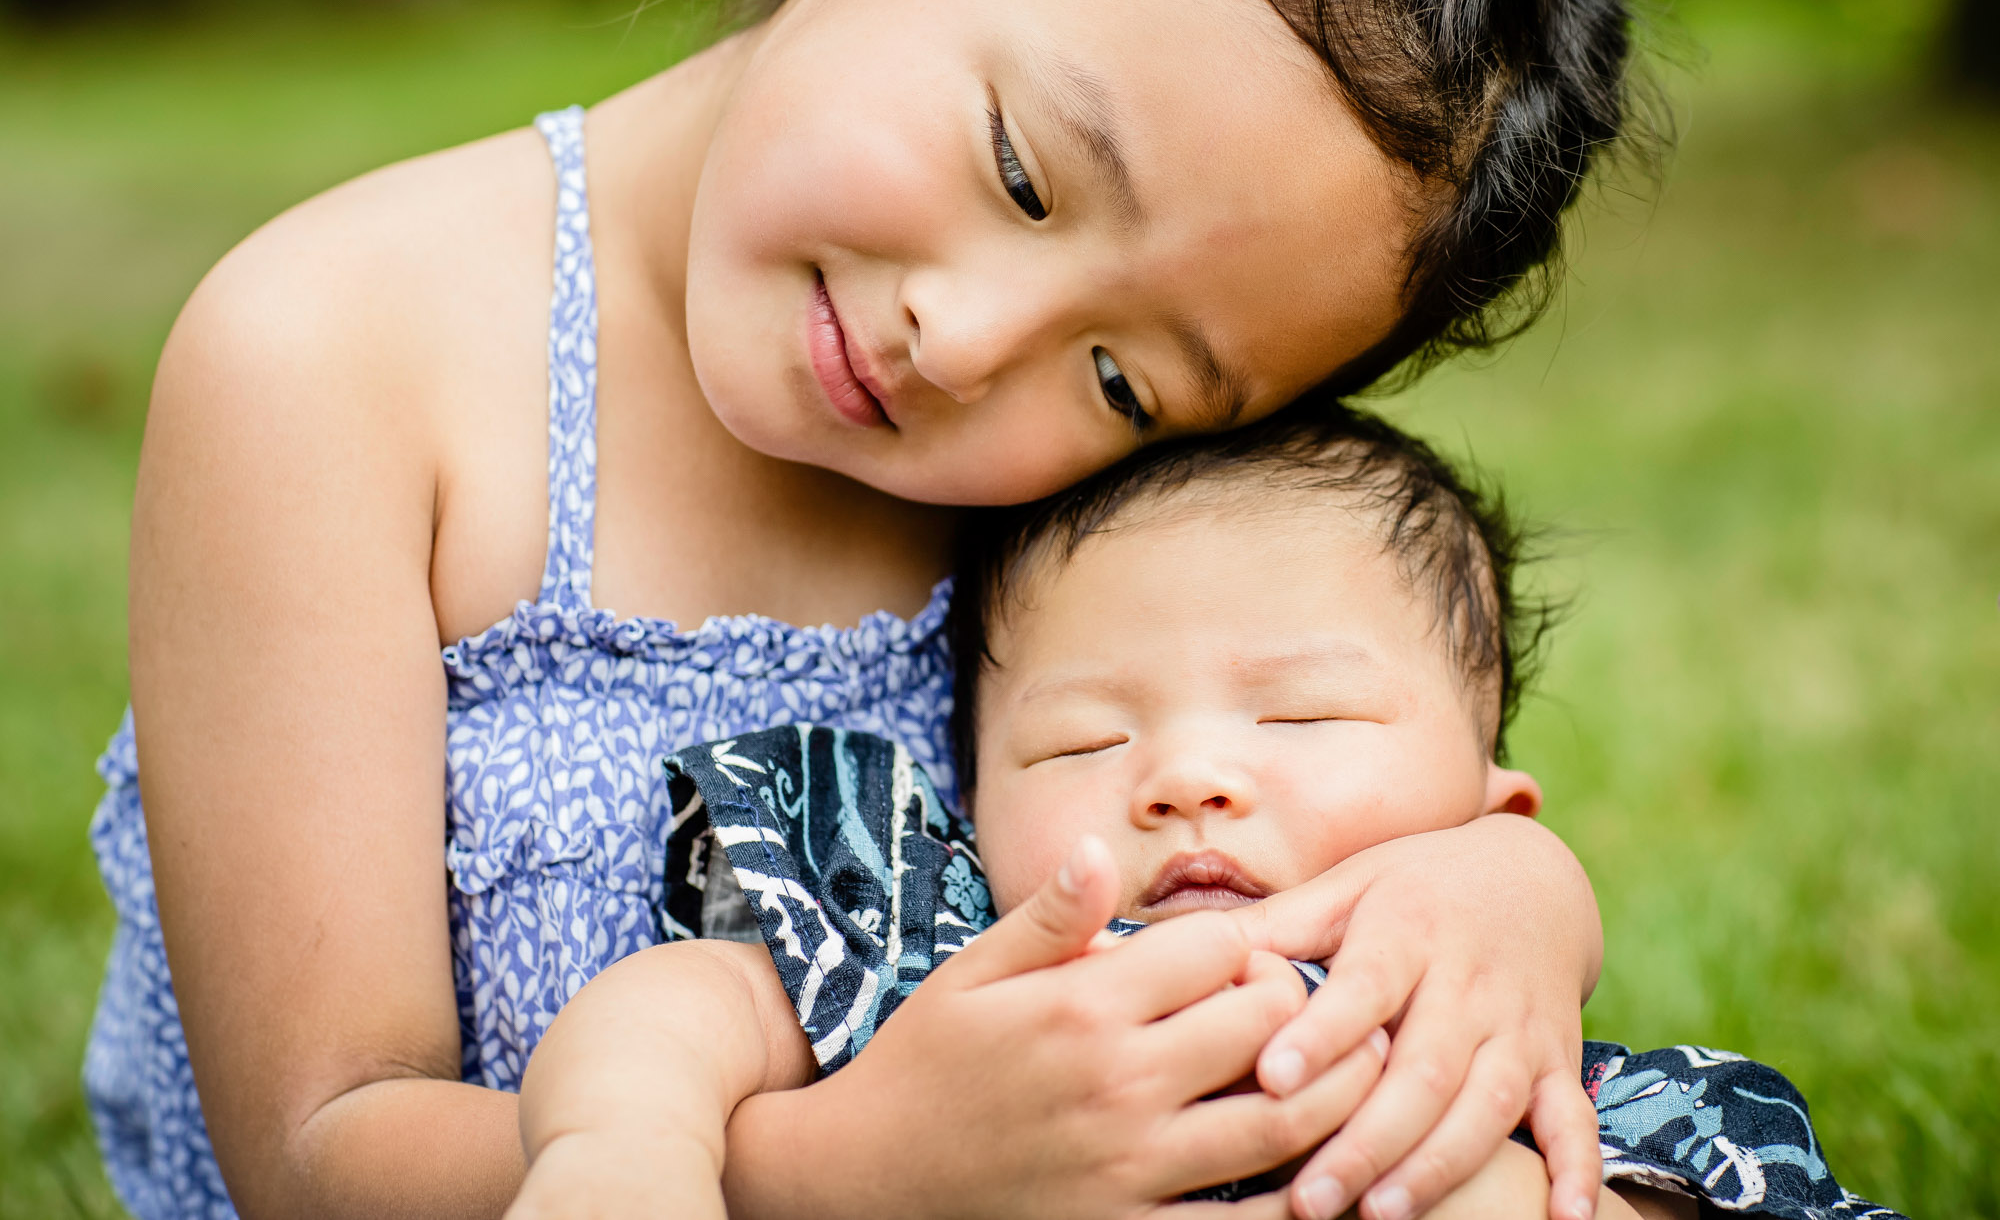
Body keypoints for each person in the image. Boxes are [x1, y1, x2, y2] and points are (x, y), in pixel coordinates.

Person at [83, 0, 1639, 1218]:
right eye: (1025, 174)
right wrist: (860, 1174)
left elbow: (1307, 745)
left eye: (1123, 377)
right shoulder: (333, 356)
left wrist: (1512, 887)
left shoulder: (1089, 486)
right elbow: (310, 1152)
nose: (962, 345)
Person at [505, 406, 1904, 1220]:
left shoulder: (1494, 1022)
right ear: (969, 797)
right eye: (1084, 735)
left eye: (1299, 716)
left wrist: (1518, 888)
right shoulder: (935, 952)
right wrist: (620, 1146)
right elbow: (674, 1007)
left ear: (1490, 808)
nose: (1183, 775)